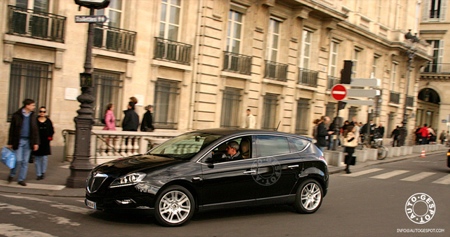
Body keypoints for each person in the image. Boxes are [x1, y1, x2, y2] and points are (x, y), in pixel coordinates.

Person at [7, 99, 40, 186]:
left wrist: (36, 143)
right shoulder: (16, 115)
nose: (34, 107)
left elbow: (35, 130)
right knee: (18, 160)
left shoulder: (33, 116)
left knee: (25, 161)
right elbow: (12, 130)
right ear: (27, 106)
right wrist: (10, 142)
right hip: (19, 140)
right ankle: (12, 174)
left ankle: (21, 179)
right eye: (32, 105)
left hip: (29, 141)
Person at [33, 106, 54, 180]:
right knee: (37, 158)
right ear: (39, 112)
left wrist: (50, 137)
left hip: (45, 142)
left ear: (45, 113)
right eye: (41, 111)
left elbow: (51, 130)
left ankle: (43, 172)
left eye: (44, 111)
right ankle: (38, 173)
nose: (42, 113)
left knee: (44, 158)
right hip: (37, 141)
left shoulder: (48, 121)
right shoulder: (35, 120)